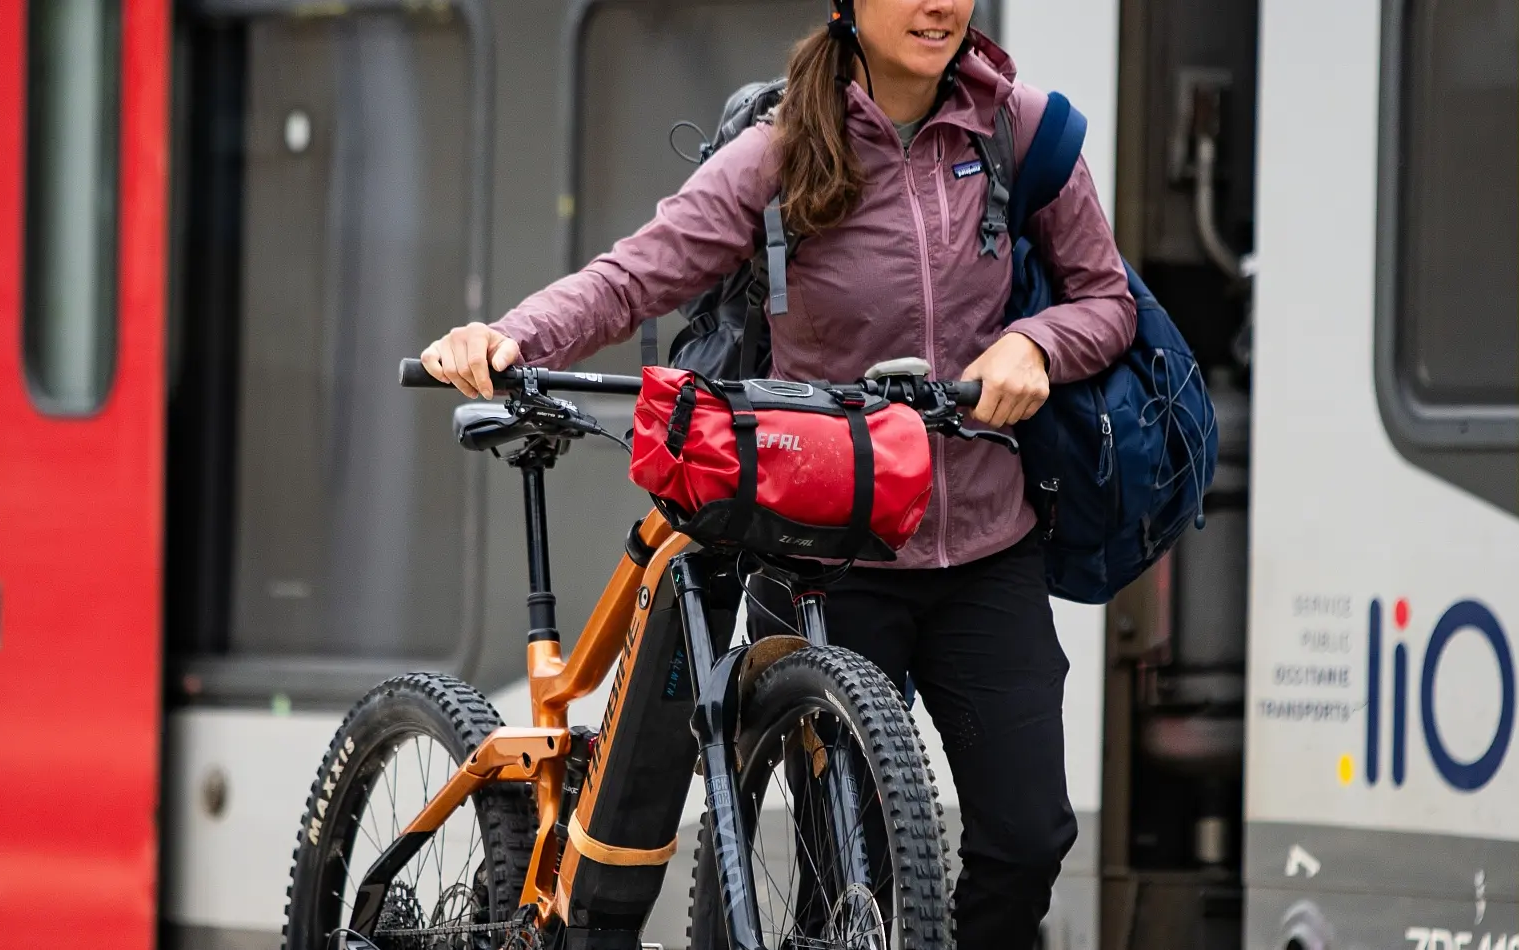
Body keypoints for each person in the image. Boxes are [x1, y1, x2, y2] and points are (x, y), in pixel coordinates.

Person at [421, 1, 1135, 945]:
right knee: (852, 870)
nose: (939, 3)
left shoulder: (1022, 131)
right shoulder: (786, 150)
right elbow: (641, 271)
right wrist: (512, 336)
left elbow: (1106, 299)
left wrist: (1037, 345)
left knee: (1028, 836)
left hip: (984, 548)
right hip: (826, 554)